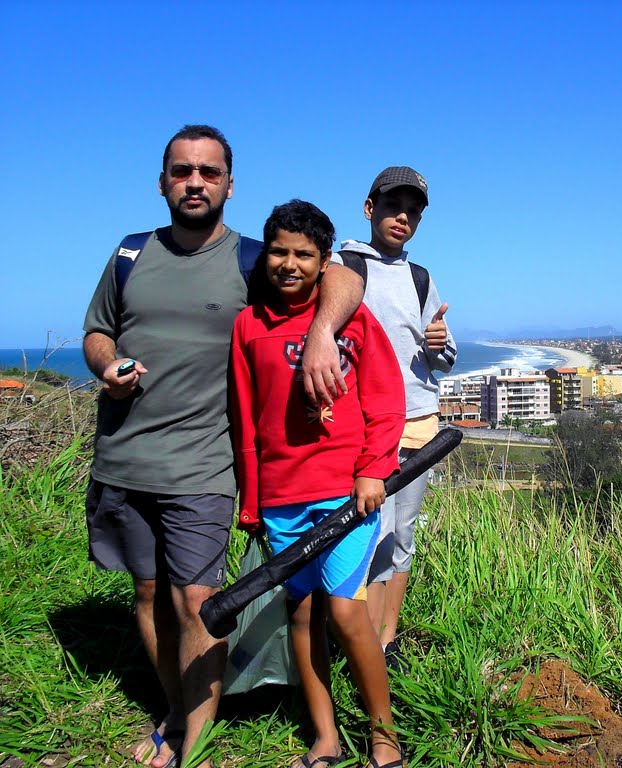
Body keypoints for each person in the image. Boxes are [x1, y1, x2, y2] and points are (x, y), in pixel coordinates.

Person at [82, 125, 364, 768]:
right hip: (124, 456)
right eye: (182, 171)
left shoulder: (251, 260)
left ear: (230, 186)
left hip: (205, 463)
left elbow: (344, 279)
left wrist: (321, 335)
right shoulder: (129, 254)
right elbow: (97, 330)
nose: (195, 183)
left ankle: (192, 742)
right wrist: (105, 364)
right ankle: (179, 711)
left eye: (209, 173)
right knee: (149, 596)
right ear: (163, 182)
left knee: (198, 602)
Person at [231, 200, 406, 768]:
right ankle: (325, 735)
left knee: (348, 612)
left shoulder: (349, 320)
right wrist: (252, 504)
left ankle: (383, 732)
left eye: (304, 255)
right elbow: (245, 420)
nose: (289, 264)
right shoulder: (248, 325)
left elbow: (384, 397)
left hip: (346, 494)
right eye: (279, 251)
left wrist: (373, 468)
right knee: (301, 616)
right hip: (283, 499)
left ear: (323, 260)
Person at [335, 166, 457, 667]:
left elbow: (443, 355)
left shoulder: (420, 277)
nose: (402, 217)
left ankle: (387, 641)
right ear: (370, 209)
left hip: (418, 419)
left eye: (413, 211)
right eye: (392, 206)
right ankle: (355, 643)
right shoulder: (342, 266)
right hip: (360, 426)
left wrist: (439, 345)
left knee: (401, 534)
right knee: (361, 533)